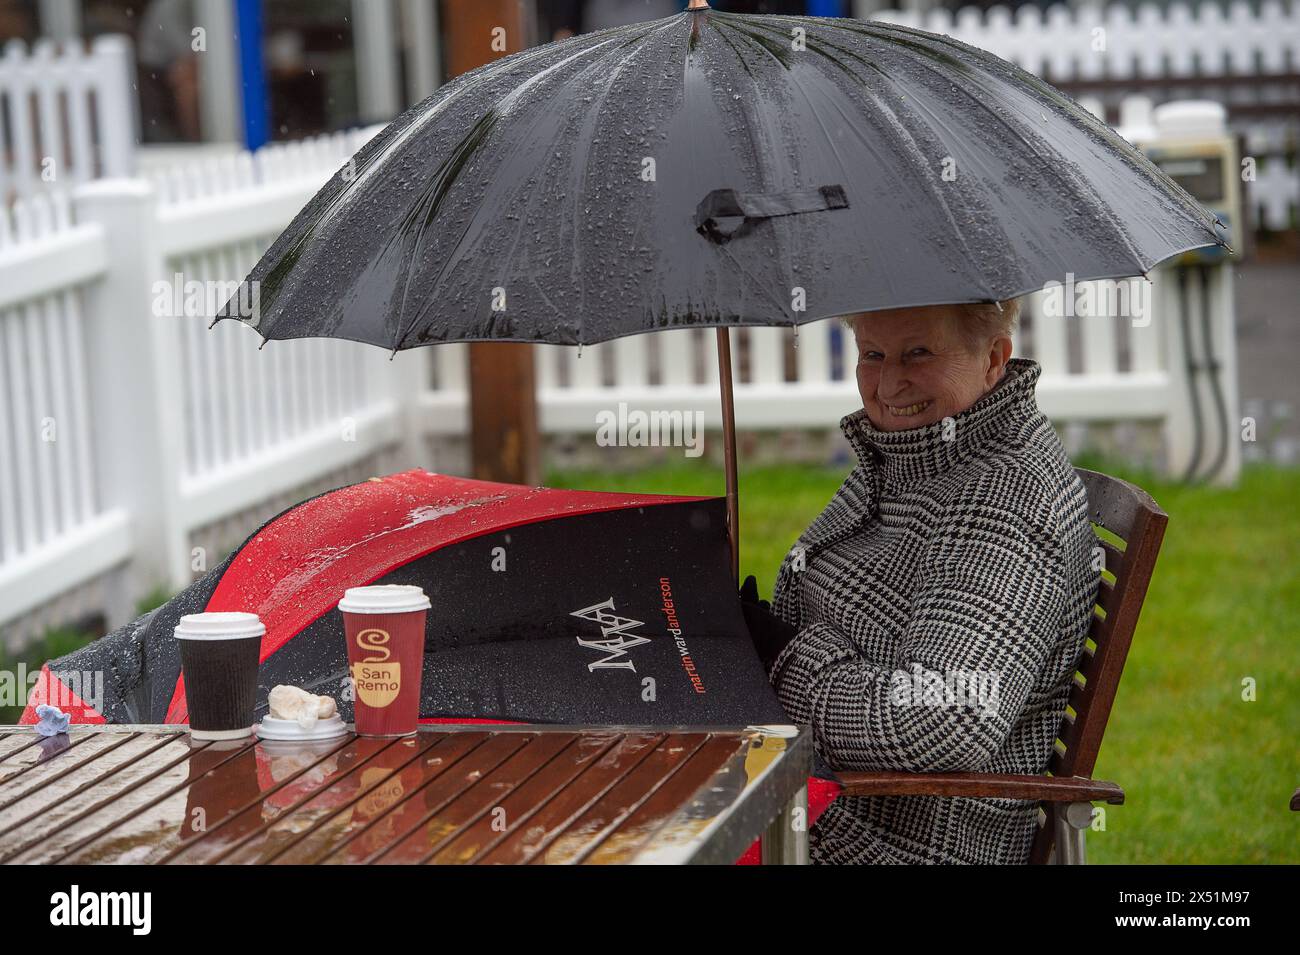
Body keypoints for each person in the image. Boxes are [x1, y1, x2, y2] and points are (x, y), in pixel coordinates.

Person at [740, 299, 1099, 864]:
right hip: (822, 797)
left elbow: (949, 716)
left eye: (918, 353)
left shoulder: (1005, 499)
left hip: (886, 843)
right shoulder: (920, 456)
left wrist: (785, 658)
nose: (888, 384)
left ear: (994, 358)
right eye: (872, 355)